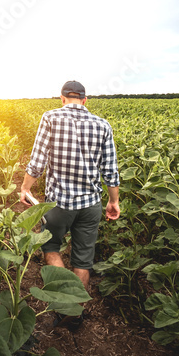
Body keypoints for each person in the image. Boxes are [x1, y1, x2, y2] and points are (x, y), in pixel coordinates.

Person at [18, 80, 120, 318]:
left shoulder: (50, 118)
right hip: (90, 205)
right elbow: (111, 171)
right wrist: (113, 201)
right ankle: (76, 312)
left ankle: (61, 307)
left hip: (58, 205)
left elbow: (38, 161)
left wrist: (25, 188)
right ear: (85, 100)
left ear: (62, 98)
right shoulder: (102, 125)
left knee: (51, 246)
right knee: (83, 259)